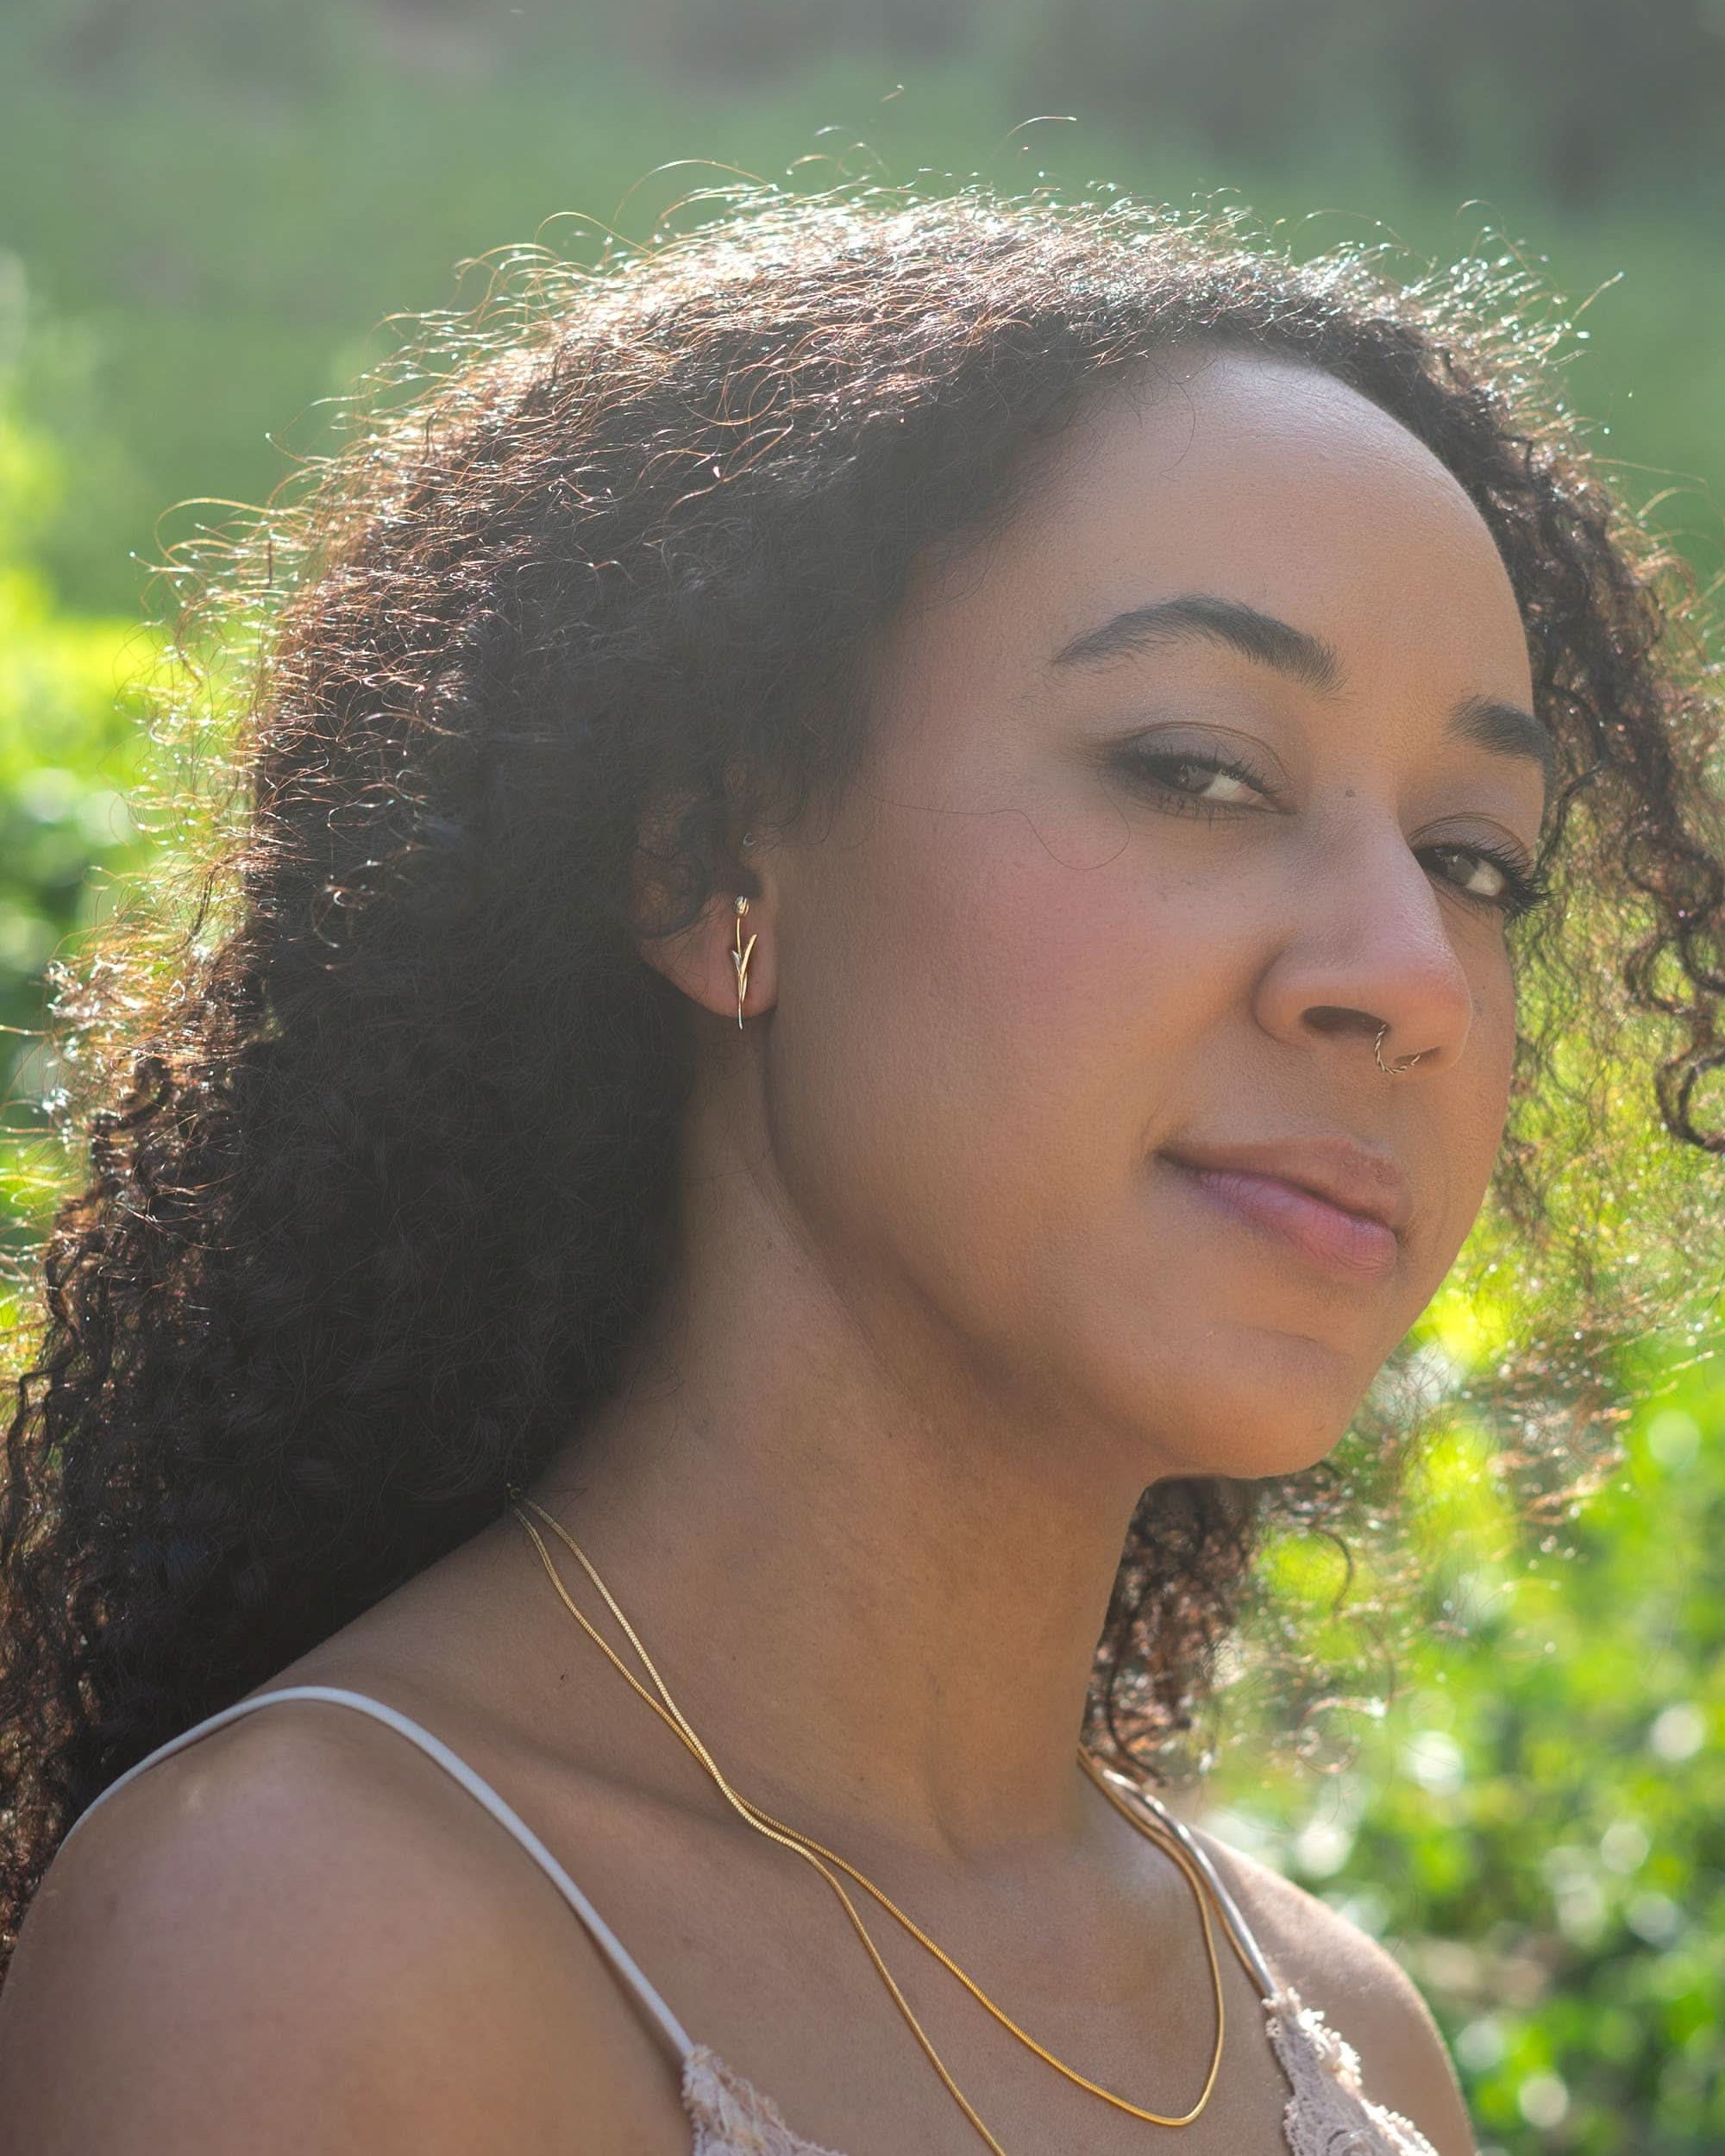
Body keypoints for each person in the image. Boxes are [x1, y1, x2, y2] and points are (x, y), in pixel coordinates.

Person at [0, 183, 1720, 2156]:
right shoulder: (321, 1940)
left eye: (1472, 858)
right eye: (1195, 769)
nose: (1407, 978)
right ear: (706, 862)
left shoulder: (1336, 2040)